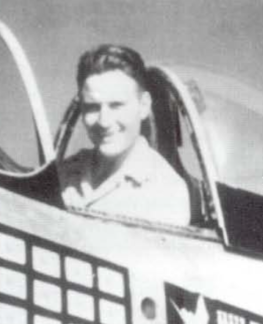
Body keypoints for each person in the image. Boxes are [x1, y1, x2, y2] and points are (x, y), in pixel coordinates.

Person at [59, 44, 191, 226]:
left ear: (143, 106)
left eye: (116, 105)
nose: (104, 121)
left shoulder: (166, 192)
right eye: (92, 107)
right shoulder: (64, 173)